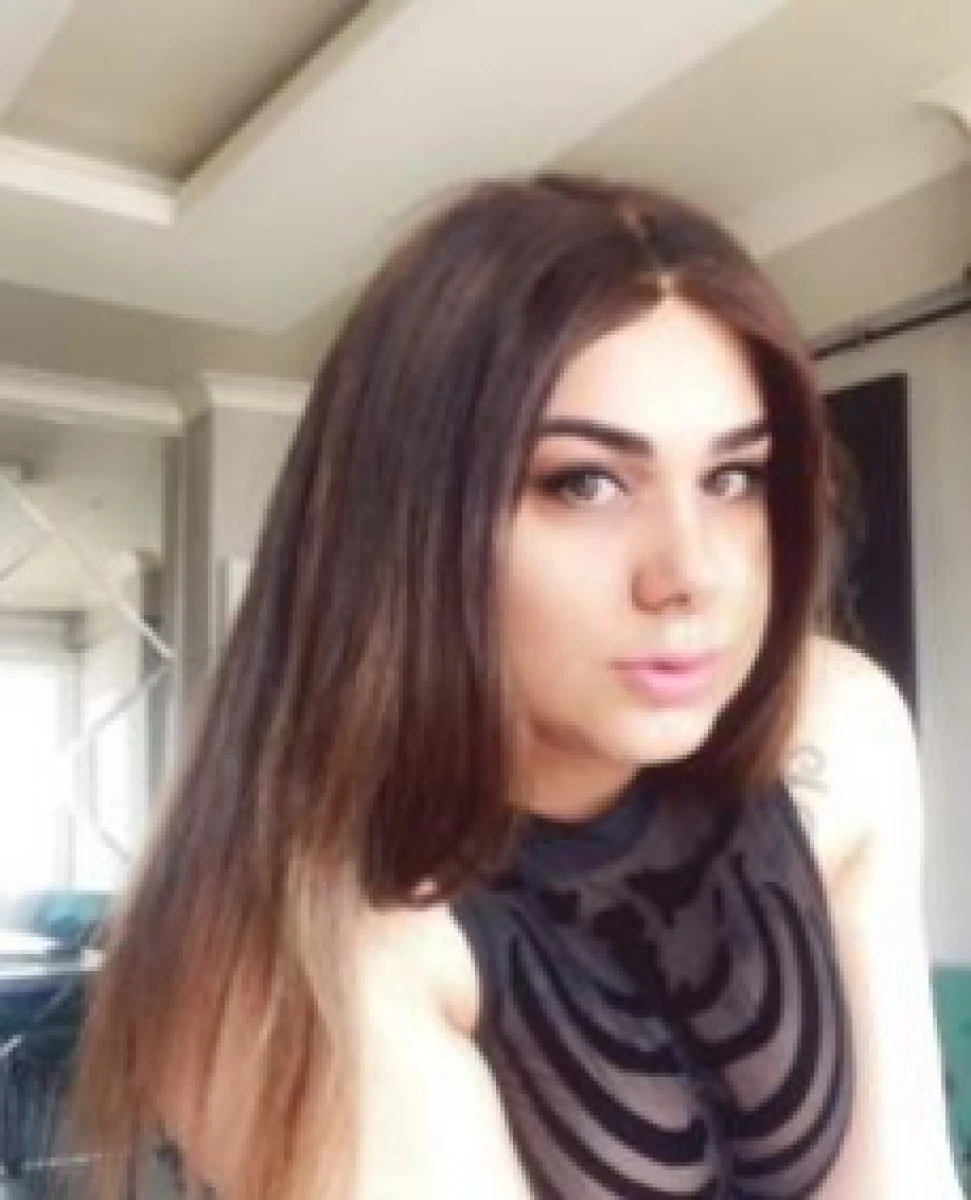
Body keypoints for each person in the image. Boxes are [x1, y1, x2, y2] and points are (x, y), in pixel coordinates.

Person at [73, 175, 960, 1199]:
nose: (691, 575)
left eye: (733, 478)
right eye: (584, 483)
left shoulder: (837, 726)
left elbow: (902, 1181)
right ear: (407, 524)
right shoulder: (296, 953)